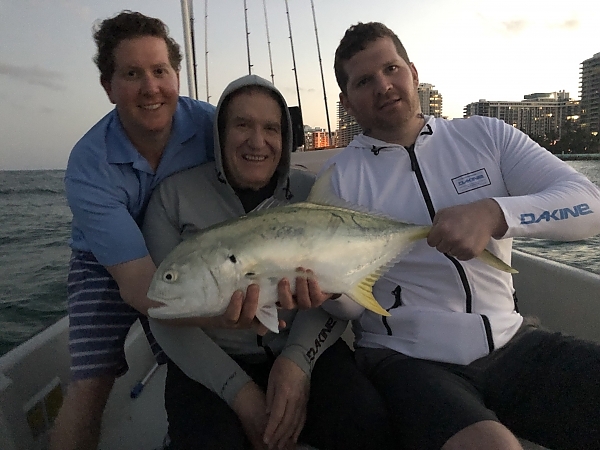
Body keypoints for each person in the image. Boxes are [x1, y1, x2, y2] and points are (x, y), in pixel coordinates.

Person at [322, 21, 600, 450]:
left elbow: (589, 204)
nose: (383, 86)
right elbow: (348, 306)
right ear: (347, 101)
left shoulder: (485, 135)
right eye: (364, 81)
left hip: (512, 342)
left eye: (391, 69)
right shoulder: (338, 181)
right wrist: (326, 290)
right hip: (407, 360)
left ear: (413, 72)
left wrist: (495, 213)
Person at [142, 74, 393, 450]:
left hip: (306, 347)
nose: (257, 142)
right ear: (220, 134)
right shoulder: (172, 198)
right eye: (242, 124)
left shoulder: (311, 193)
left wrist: (298, 362)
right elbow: (161, 313)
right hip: (211, 362)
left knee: (366, 423)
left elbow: (336, 285)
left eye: (271, 128)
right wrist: (238, 392)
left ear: (285, 138)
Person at [50, 11, 217, 450]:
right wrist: (236, 311)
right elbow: (139, 286)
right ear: (108, 86)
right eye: (131, 73)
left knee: (195, 366)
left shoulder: (212, 128)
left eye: (160, 70)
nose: (150, 87)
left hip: (182, 249)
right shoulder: (89, 164)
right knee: (90, 381)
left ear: (176, 75)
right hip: (107, 264)